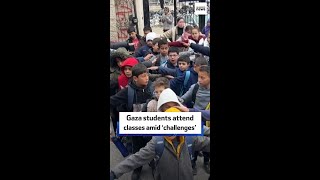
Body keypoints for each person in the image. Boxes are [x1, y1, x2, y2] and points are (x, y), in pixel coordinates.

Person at [110, 88, 210, 180]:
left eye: (174, 108)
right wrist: (114, 172)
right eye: (166, 109)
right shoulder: (157, 142)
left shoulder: (191, 137)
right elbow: (137, 158)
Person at [110, 63, 154, 180]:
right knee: (137, 148)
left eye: (147, 76)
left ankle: (153, 163)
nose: (147, 78)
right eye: (143, 76)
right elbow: (112, 101)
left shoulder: (152, 88)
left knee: (153, 146)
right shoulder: (127, 92)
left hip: (152, 125)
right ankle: (137, 167)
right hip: (135, 128)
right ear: (135, 78)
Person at [180, 65, 211, 174]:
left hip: (208, 121)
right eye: (199, 77)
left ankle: (206, 162)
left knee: (207, 143)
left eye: (203, 78)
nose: (199, 80)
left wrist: (190, 110)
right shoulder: (195, 87)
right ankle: (193, 163)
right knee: (194, 143)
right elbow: (183, 98)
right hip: (195, 120)